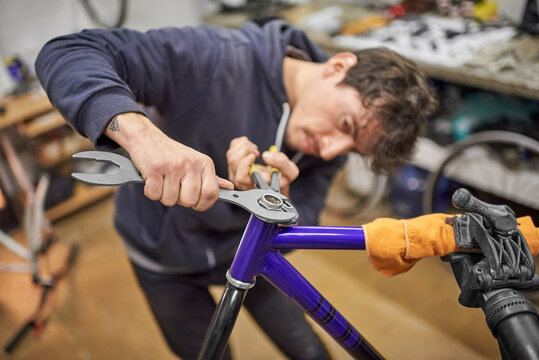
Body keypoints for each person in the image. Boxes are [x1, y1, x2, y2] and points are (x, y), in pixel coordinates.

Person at [35, 19, 437, 359]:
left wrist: (281, 204)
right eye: (347, 125)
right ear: (338, 66)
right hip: (163, 256)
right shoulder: (216, 57)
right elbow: (67, 52)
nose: (332, 149)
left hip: (250, 254)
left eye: (350, 148)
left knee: (307, 349)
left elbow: (307, 217)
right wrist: (142, 135)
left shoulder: (327, 143)